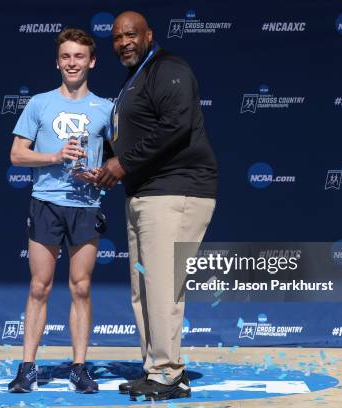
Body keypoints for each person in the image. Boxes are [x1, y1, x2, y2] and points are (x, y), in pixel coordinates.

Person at [95, 11, 218, 401]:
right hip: (144, 193)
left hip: (176, 190)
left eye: (131, 34)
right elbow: (136, 134)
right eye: (117, 38)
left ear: (149, 34)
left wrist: (123, 162)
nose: (124, 42)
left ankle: (169, 373)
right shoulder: (135, 79)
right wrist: (102, 161)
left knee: (162, 285)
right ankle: (155, 369)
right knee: (144, 286)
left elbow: (176, 125)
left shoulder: (168, 67)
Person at [8, 27, 112, 394]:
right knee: (39, 286)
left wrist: (102, 173)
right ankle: (27, 367)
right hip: (46, 202)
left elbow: (118, 162)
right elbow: (17, 155)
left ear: (92, 61)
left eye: (79, 56)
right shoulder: (39, 103)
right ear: (57, 62)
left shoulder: (107, 108)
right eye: (66, 56)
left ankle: (79, 367)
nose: (72, 63)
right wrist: (53, 156)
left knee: (81, 287)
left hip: (86, 205)